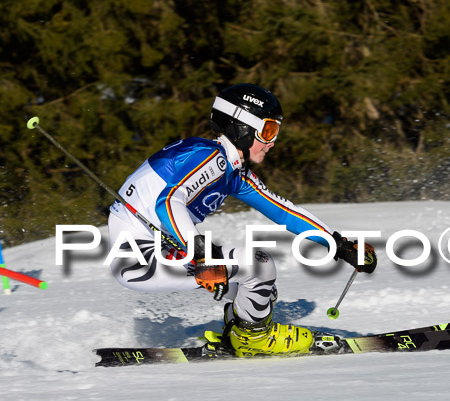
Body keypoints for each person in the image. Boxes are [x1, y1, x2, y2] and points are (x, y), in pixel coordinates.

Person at [107, 83, 377, 356]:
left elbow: (283, 211)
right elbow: (167, 202)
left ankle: (238, 331)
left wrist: (339, 245)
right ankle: (253, 339)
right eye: (268, 130)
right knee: (258, 266)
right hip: (140, 258)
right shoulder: (210, 157)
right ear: (242, 127)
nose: (272, 142)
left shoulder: (234, 171)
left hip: (161, 251)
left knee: (261, 293)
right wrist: (204, 257)